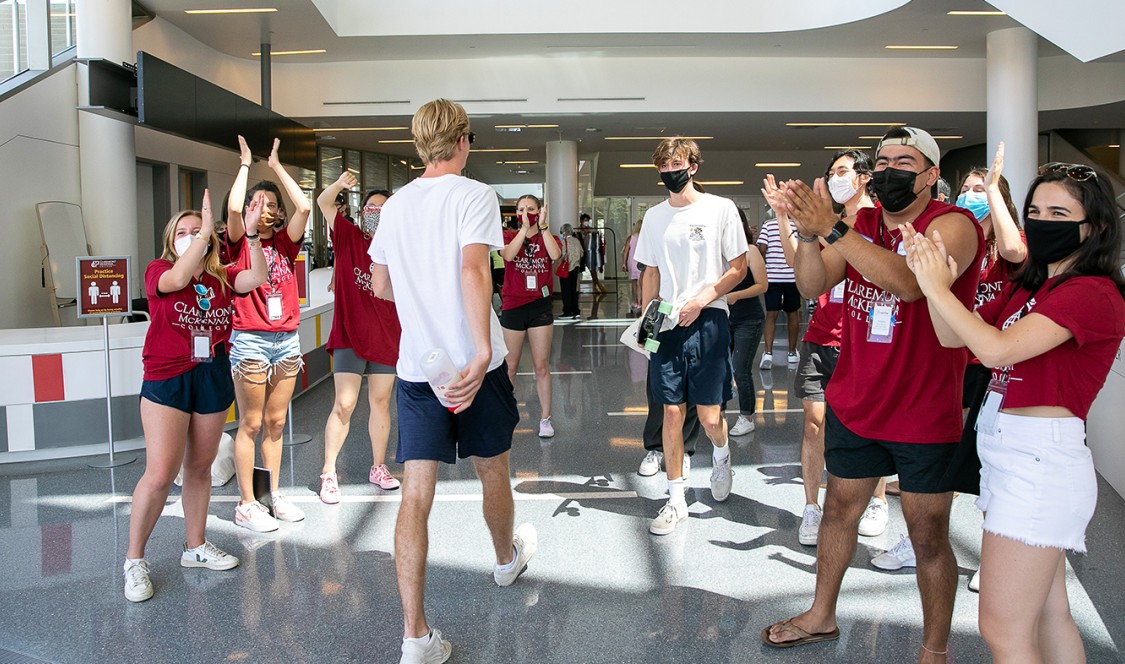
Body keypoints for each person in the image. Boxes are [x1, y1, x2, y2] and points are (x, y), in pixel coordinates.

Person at [761, 127, 983, 663]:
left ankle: (934, 649)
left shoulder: (953, 225)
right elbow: (813, 285)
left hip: (924, 411)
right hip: (858, 403)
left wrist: (832, 228)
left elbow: (910, 283)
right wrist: (812, 232)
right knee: (839, 511)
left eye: (904, 160)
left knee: (928, 532)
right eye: (881, 160)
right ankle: (821, 614)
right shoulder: (862, 223)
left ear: (931, 174)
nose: (888, 169)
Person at [904, 162, 1124, 663]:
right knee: (1048, 615)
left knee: (1001, 627)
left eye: (1060, 213)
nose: (1043, 221)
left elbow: (999, 351)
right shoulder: (1032, 286)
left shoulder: (1092, 293)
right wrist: (933, 276)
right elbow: (952, 337)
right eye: (1036, 211)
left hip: (1039, 467)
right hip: (1012, 459)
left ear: (1097, 226)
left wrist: (936, 288)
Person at [370, 98, 536, 664]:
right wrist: (484, 344)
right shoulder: (474, 194)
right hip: (475, 367)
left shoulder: (393, 207)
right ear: (462, 141)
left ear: (419, 144)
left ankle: (415, 636)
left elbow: (382, 286)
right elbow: (472, 268)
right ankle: (503, 560)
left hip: (420, 369)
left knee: (415, 494)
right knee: (494, 469)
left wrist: (422, 291)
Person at [877, 142, 1027, 578]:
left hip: (992, 370)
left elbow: (1016, 249)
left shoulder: (1007, 251)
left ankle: (991, 555)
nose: (971, 194)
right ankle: (918, 538)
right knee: (950, 460)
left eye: (980, 189)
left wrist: (994, 191)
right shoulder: (947, 237)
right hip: (952, 364)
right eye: (967, 188)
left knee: (988, 462)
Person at [123, 190, 267, 602]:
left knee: (200, 468)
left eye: (197, 230)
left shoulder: (221, 277)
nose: (192, 236)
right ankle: (134, 560)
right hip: (168, 378)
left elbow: (255, 278)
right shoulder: (159, 270)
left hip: (212, 375)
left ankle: (196, 546)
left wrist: (252, 235)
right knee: (161, 472)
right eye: (183, 232)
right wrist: (204, 235)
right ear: (173, 241)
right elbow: (178, 279)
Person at [763, 151, 889, 546]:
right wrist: (784, 217)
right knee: (814, 422)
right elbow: (797, 265)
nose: (834, 178)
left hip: (865, 339)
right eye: (831, 172)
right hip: (821, 335)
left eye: (843, 172)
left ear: (864, 178)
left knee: (870, 425)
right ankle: (811, 507)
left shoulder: (881, 223)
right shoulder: (825, 222)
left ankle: (878, 500)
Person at [633, 137, 748, 536]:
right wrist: (648, 326)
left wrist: (702, 299)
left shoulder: (720, 209)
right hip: (665, 323)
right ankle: (676, 498)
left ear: (693, 166)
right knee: (670, 411)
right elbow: (649, 271)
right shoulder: (654, 217)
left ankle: (721, 452)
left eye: (677, 163)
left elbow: (738, 267)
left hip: (709, 320)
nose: (670, 172)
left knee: (709, 416)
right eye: (663, 166)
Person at [226, 135, 313, 533]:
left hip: (287, 340)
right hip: (251, 340)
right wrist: (246, 165)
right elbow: (232, 207)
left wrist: (277, 166)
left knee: (277, 423)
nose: (265, 210)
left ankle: (272, 495)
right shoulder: (236, 245)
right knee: (251, 423)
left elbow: (306, 206)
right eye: (258, 205)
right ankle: (246, 504)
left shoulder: (284, 243)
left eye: (271, 205)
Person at [316, 172, 403, 503]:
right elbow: (324, 203)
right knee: (345, 403)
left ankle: (378, 467)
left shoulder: (399, 247)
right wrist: (339, 186)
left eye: (383, 209)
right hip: (350, 334)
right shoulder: (348, 237)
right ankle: (328, 472)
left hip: (385, 335)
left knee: (381, 403)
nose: (376, 213)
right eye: (370, 208)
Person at [499, 194, 561, 438]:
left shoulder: (548, 236)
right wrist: (523, 230)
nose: (526, 212)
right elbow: (508, 256)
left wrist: (542, 227)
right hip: (513, 305)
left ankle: (545, 419)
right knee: (510, 366)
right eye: (521, 209)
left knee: (541, 366)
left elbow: (555, 256)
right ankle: (503, 414)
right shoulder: (508, 236)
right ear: (516, 213)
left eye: (531, 209)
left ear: (540, 211)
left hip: (540, 306)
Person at [725, 208, 768, 436]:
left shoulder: (750, 251)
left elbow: (762, 285)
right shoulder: (718, 253)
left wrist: (736, 296)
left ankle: (747, 416)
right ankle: (717, 412)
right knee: (721, 369)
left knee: (740, 370)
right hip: (722, 319)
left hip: (748, 320)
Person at [757, 209, 802, 368]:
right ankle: (791, 353)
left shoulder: (768, 225)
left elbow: (762, 249)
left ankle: (768, 353)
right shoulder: (798, 225)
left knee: (771, 315)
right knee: (793, 314)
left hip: (772, 277)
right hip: (792, 276)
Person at [558, 223, 584, 319]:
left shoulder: (563, 242)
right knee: (573, 290)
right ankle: (576, 310)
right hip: (576, 267)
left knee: (566, 290)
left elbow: (562, 255)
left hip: (566, 268)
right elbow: (581, 253)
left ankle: (567, 311)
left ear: (564, 232)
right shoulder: (577, 241)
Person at [622, 219, 643, 315]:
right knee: (640, 283)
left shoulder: (630, 238)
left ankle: (635, 302)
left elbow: (626, 251)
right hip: (641, 262)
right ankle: (640, 302)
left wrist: (624, 263)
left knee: (634, 283)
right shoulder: (644, 238)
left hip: (632, 262)